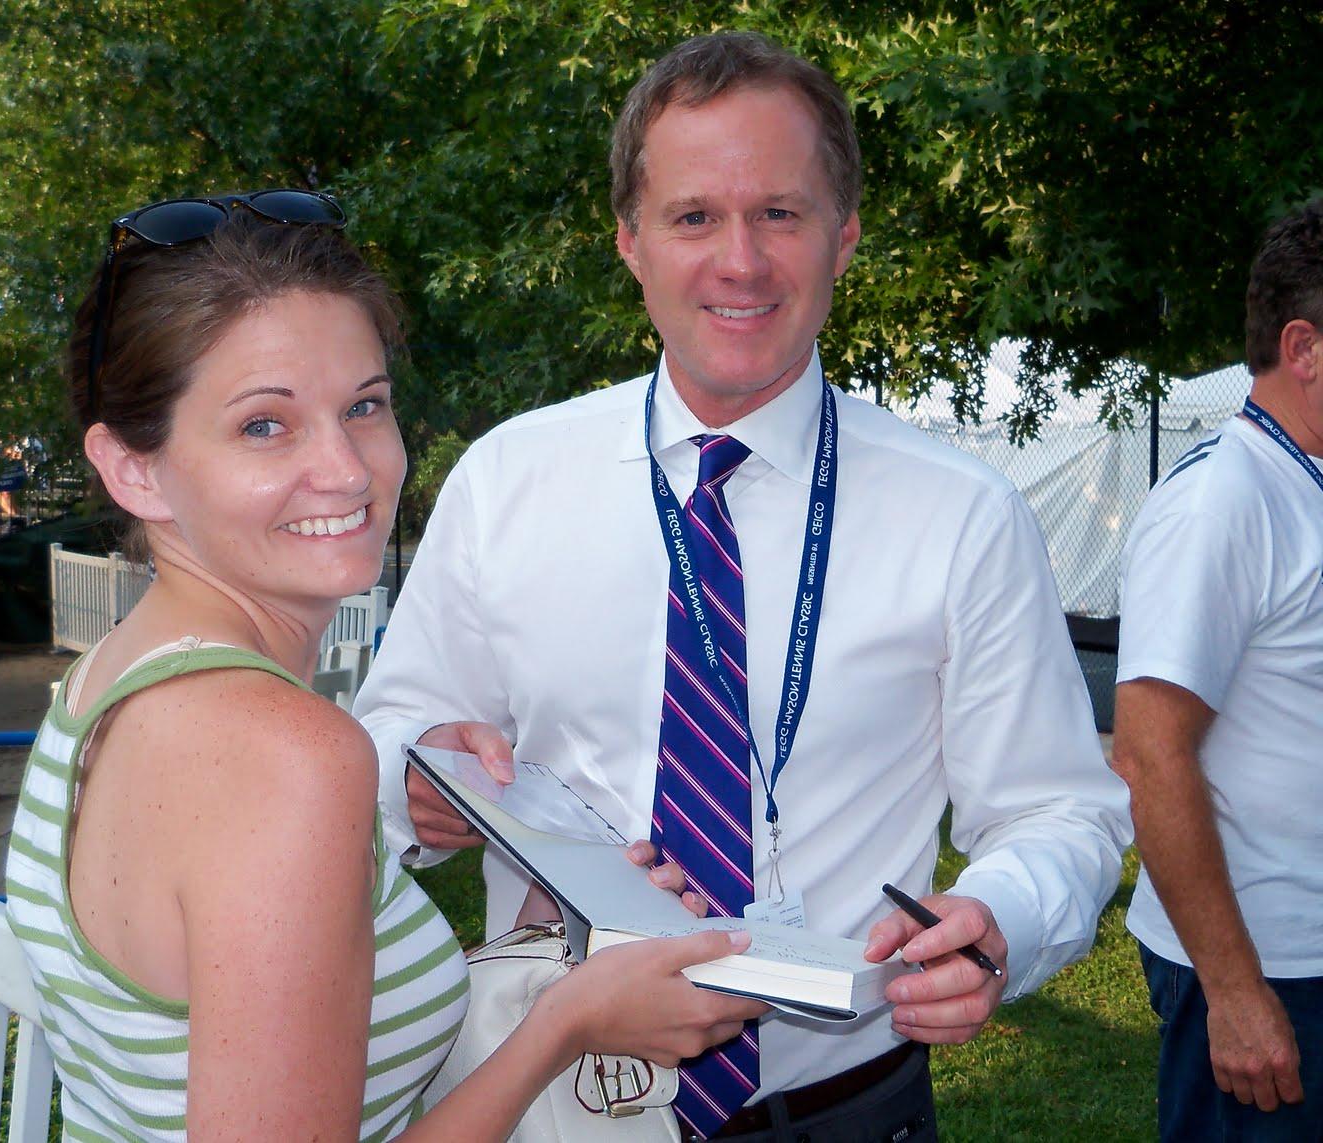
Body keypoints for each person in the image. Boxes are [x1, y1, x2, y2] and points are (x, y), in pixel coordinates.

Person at [355, 31, 1130, 1142]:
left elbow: (1062, 808)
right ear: (629, 241)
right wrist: (420, 784)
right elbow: (386, 740)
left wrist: (999, 921)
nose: (740, 260)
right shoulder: (507, 482)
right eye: (692, 217)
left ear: (843, 236)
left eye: (780, 212)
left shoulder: (960, 515)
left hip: (843, 1108)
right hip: (562, 1098)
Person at [3, 190, 763, 1141]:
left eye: (363, 405)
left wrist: (544, 878)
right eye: (264, 425)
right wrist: (566, 1023)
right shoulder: (286, 752)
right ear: (134, 470)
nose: (348, 469)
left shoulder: (107, 678)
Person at [1112, 198, 1323, 1142]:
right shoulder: (1222, 502)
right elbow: (1152, 754)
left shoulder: (1302, 488)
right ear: (1305, 349)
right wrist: (1236, 994)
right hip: (1264, 973)